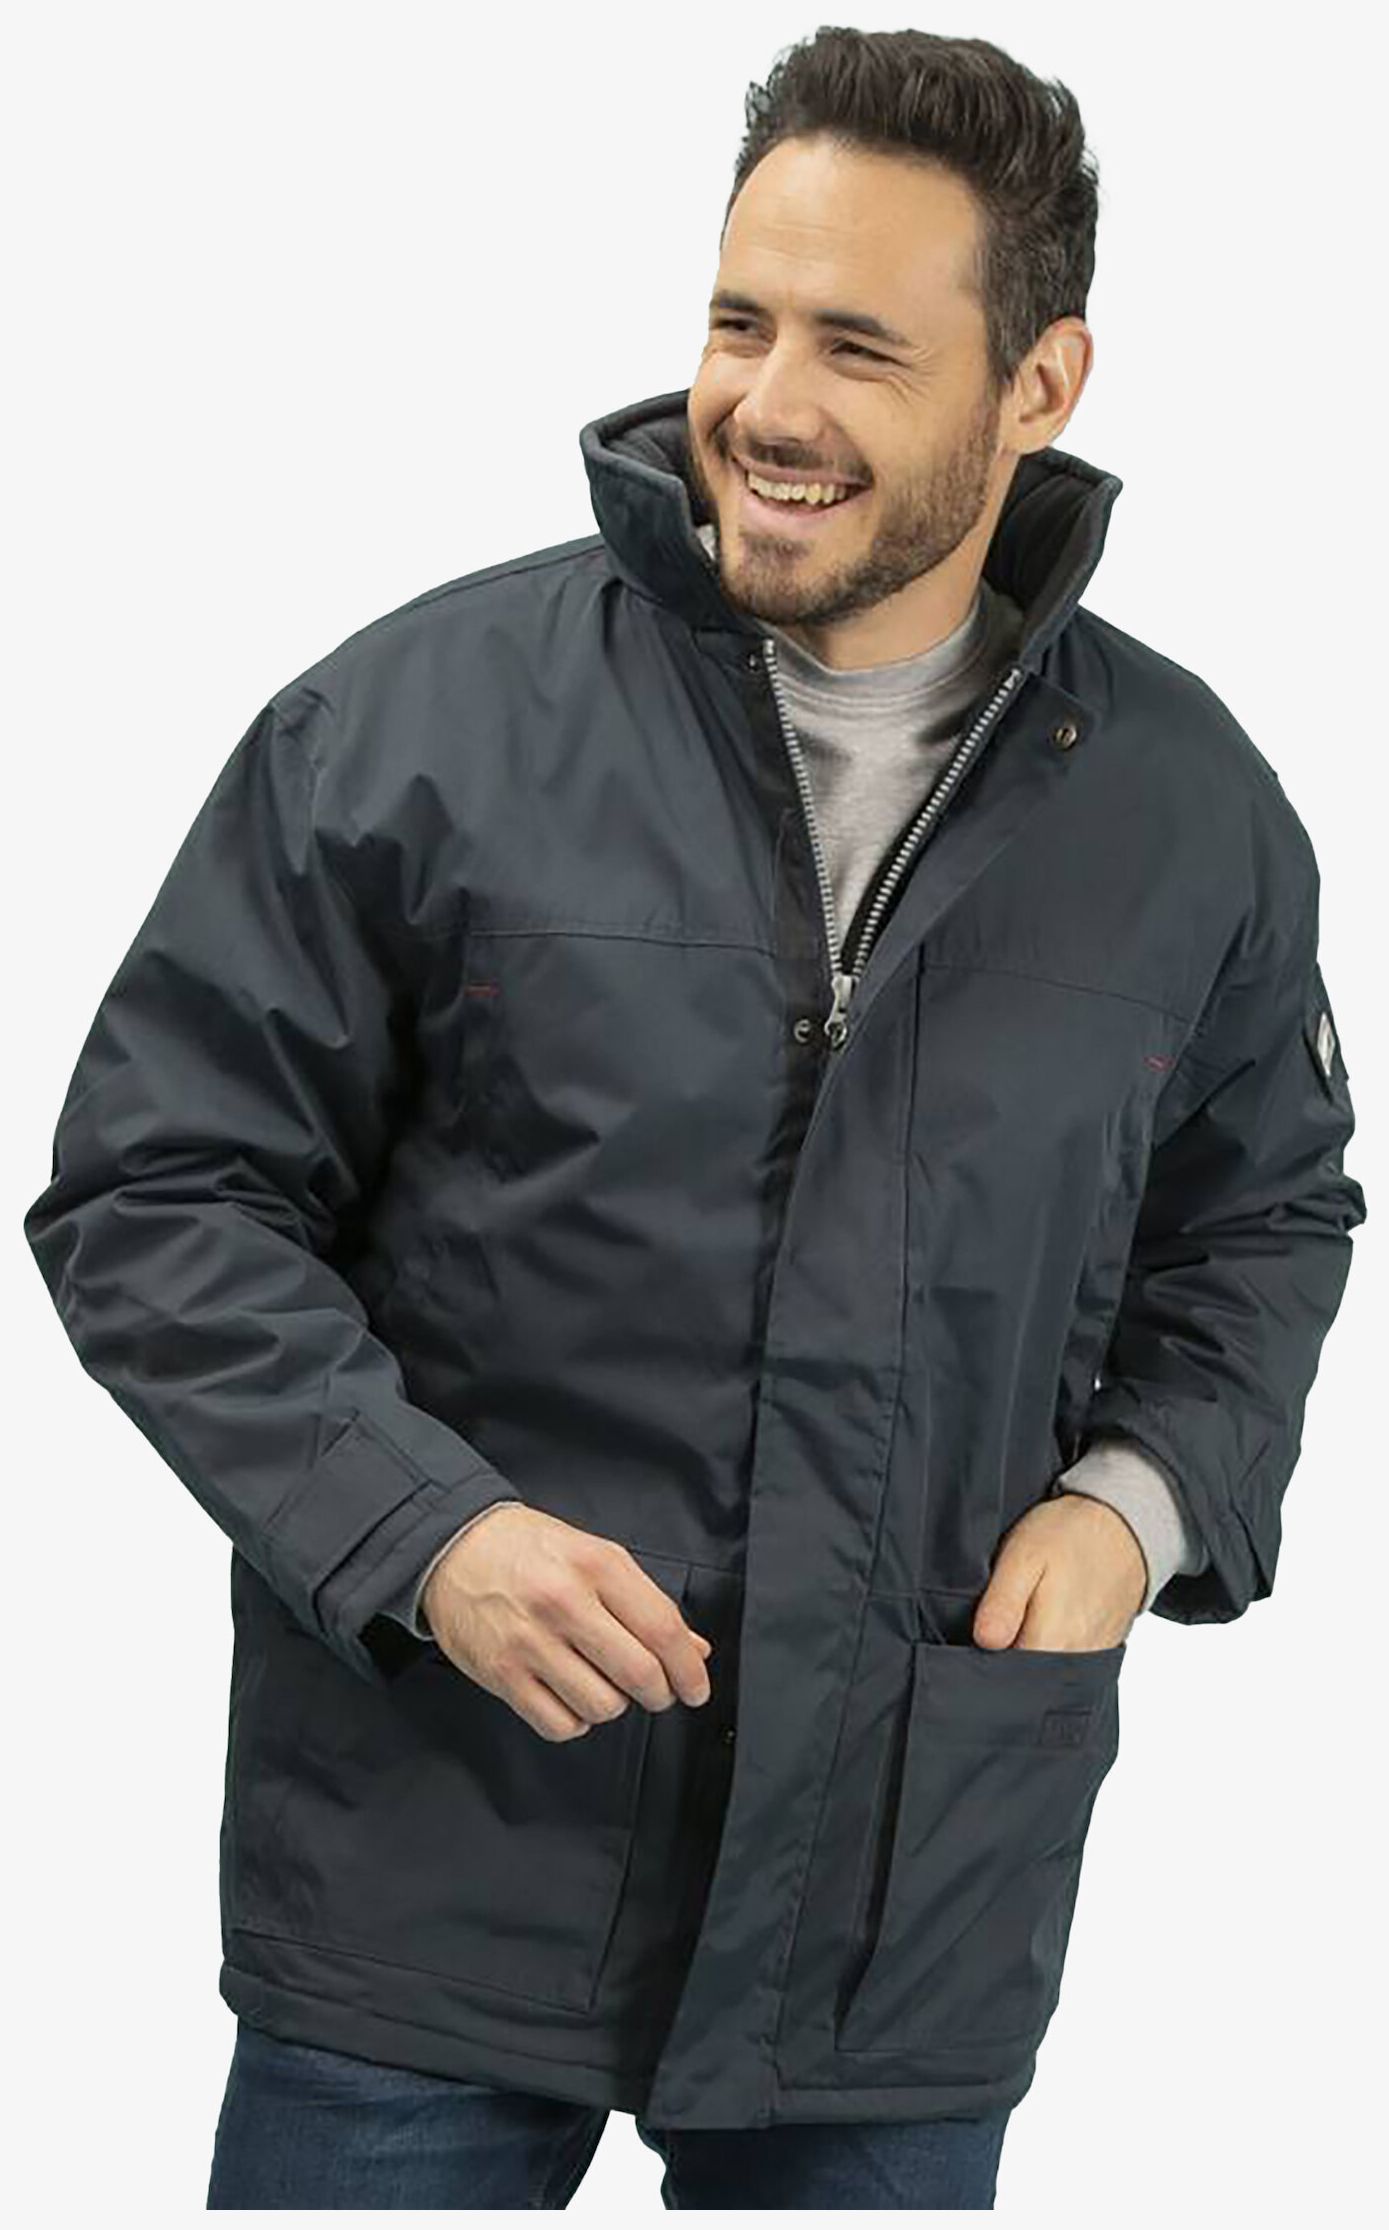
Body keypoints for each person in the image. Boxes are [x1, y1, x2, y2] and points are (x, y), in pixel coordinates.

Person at [23, 25, 1366, 2213]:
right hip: (436, 1856)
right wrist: (422, 1534)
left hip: (905, 1878)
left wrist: (1139, 1500)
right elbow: (159, 1185)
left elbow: (1265, 1215)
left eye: (859, 345)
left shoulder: (1183, 813)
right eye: (741, 320)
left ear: (1038, 384)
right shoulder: (420, 724)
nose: (765, 403)